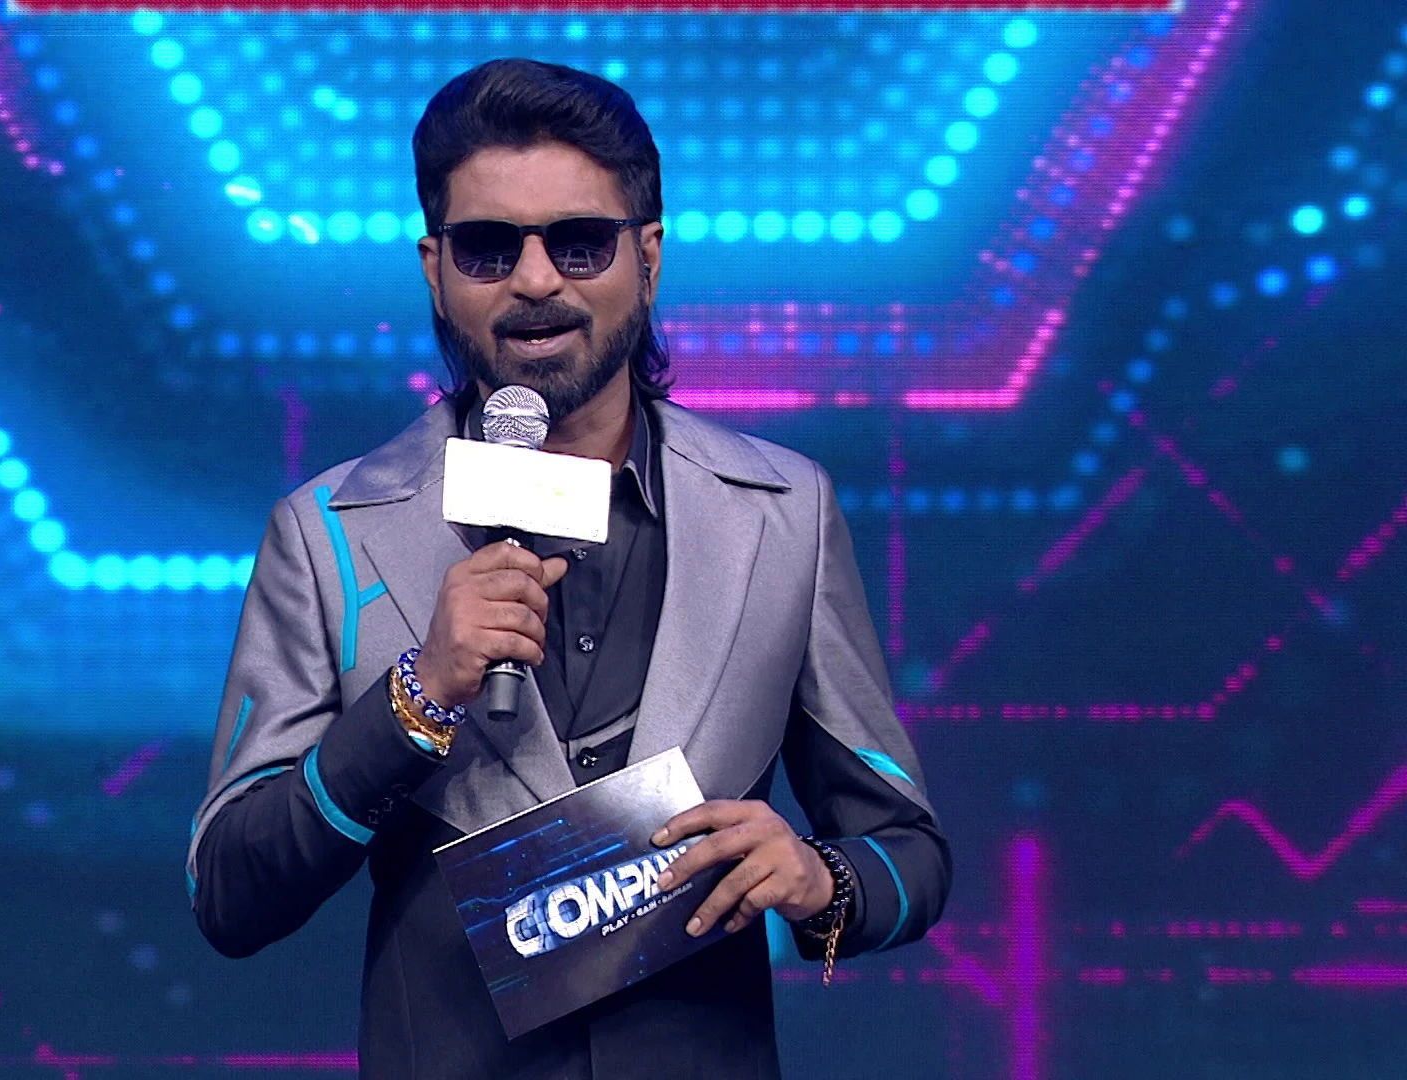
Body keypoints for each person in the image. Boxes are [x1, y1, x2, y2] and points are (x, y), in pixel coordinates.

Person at [186, 58, 951, 1078]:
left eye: (580, 242)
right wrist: (415, 699)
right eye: (489, 248)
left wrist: (821, 882)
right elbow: (229, 894)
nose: (537, 280)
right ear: (434, 270)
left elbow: (909, 851)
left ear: (649, 257)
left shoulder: (782, 513)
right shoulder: (328, 534)